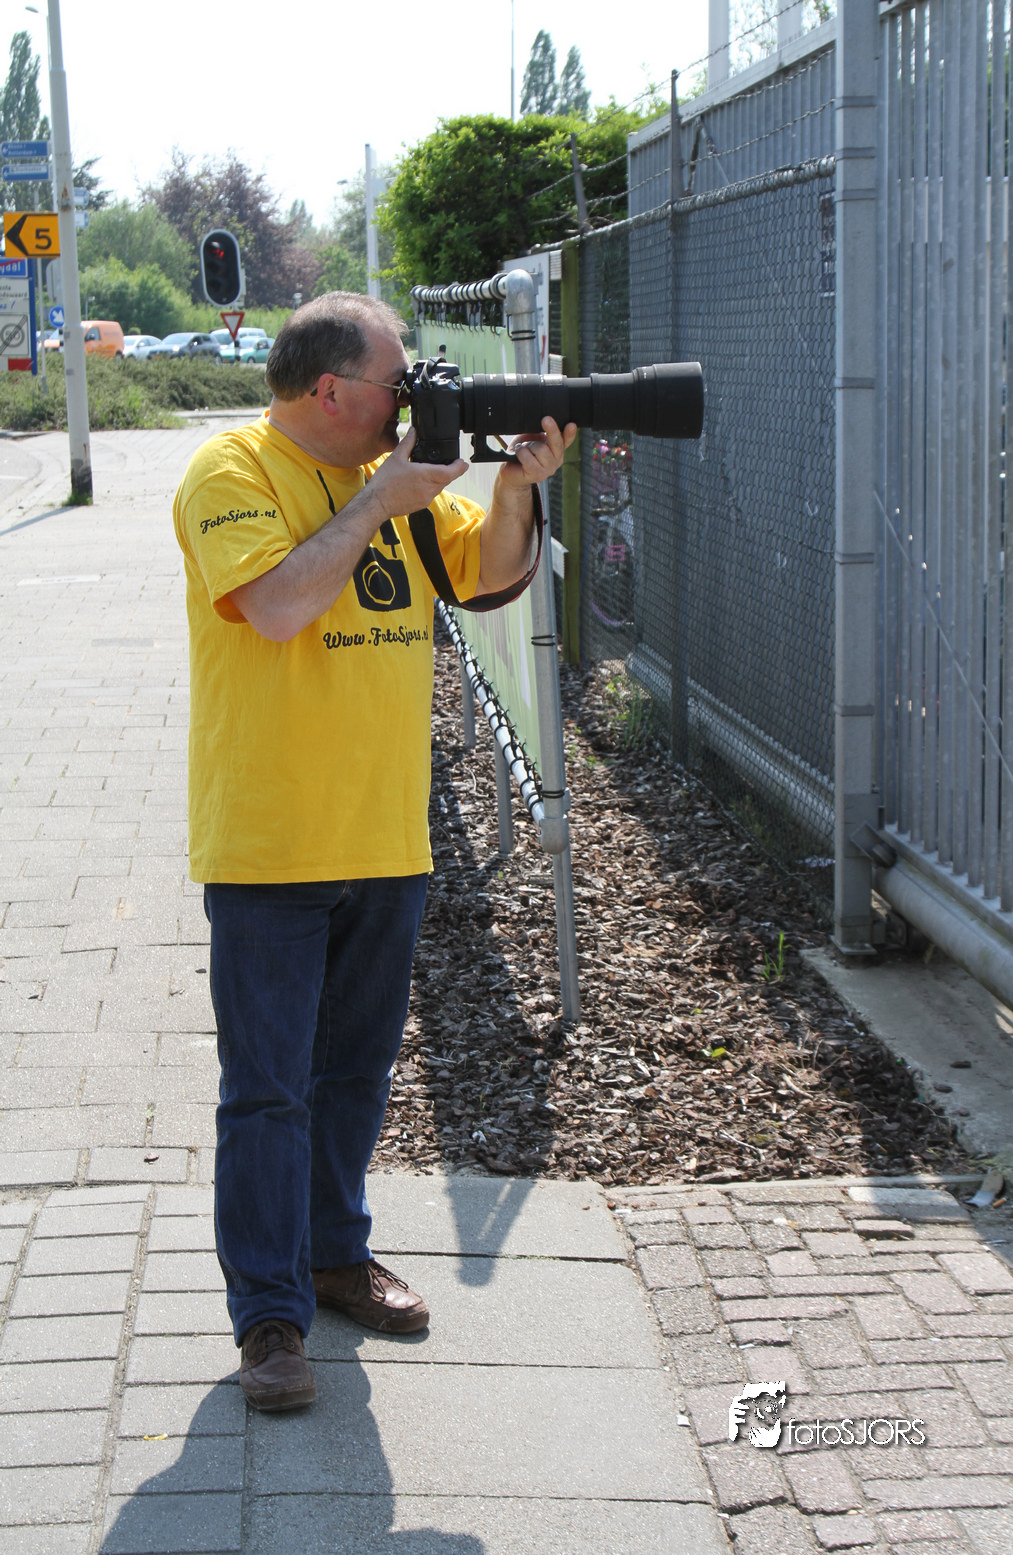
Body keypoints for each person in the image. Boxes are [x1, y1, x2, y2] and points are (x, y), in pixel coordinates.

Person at [172, 292, 574, 1412]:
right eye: (395, 384)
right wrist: (381, 499)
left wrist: (515, 487)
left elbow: (486, 575)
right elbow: (277, 603)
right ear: (328, 390)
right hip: (270, 845)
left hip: (385, 836)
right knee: (267, 1092)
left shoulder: (392, 480)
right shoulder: (230, 471)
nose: (411, 400)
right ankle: (268, 1317)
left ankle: (334, 1257)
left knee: (354, 1075)